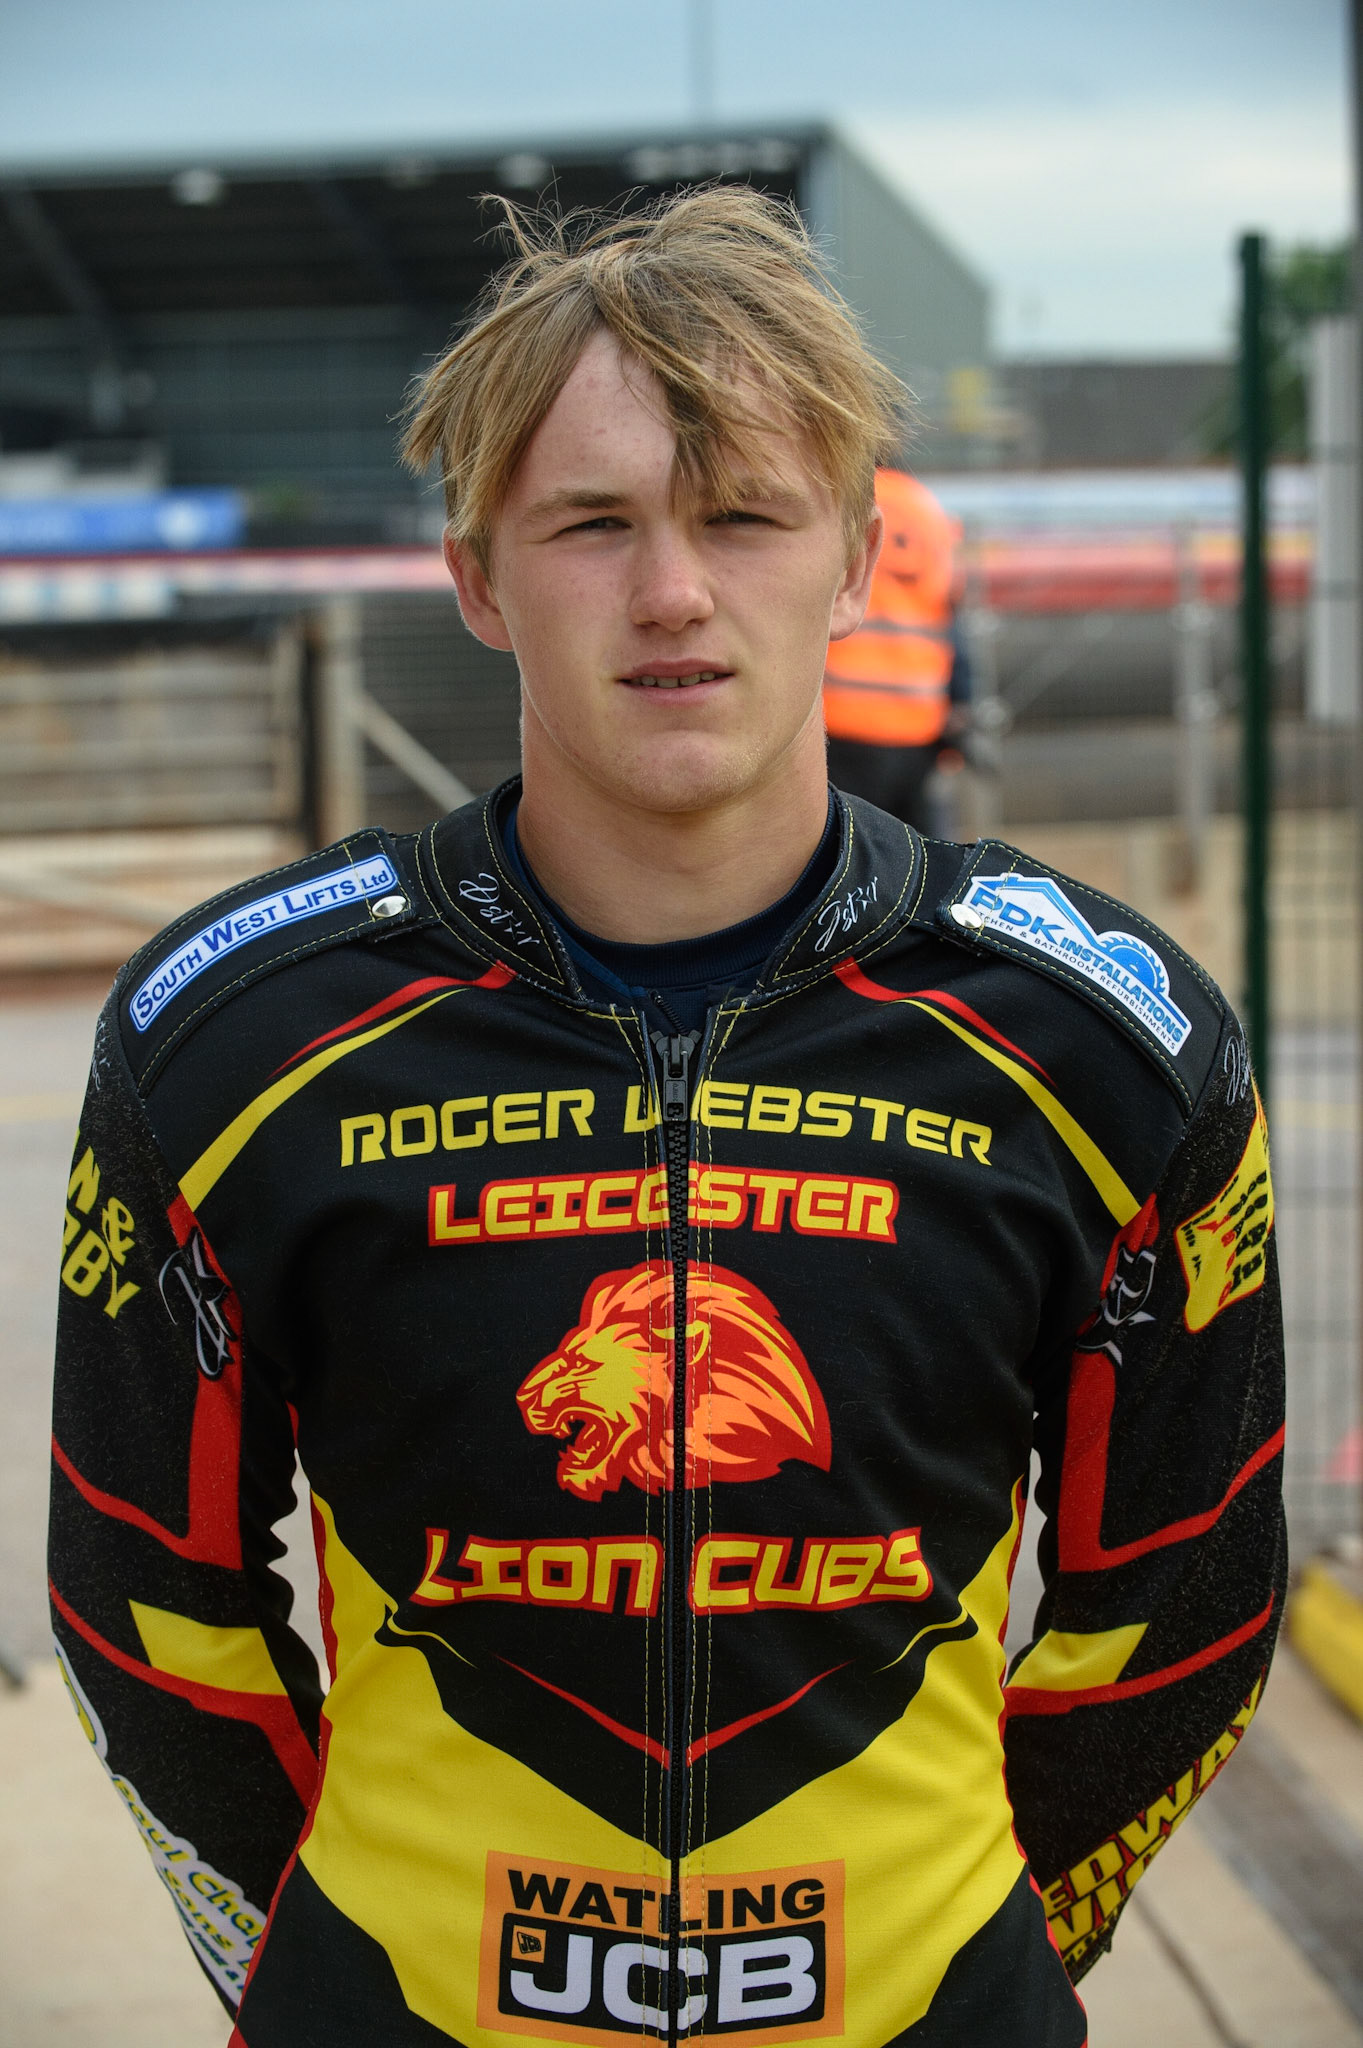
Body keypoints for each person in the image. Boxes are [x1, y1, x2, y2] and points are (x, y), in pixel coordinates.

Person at [49, 188, 1284, 2048]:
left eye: (740, 514)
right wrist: (316, 1970)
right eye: (593, 522)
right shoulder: (226, 1035)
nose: (672, 592)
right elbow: (145, 1600)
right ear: (477, 573)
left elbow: (1180, 1594)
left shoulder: (1104, 1041)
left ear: (857, 554)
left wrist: (989, 1952)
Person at [823, 466, 971, 832]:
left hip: (842, 719)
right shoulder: (927, 509)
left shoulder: (839, 496)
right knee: (921, 868)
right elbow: (951, 616)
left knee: (848, 865)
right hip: (918, 724)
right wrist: (960, 711)